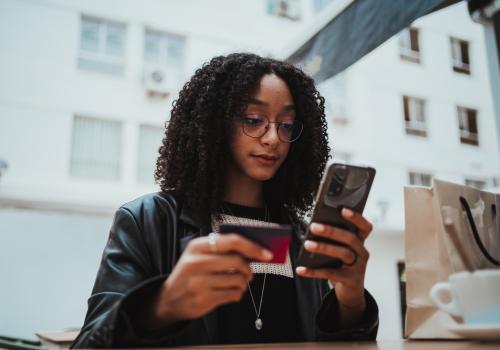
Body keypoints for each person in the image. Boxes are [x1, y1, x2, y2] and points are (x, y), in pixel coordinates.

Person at [71, 53, 378, 348]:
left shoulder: (302, 237)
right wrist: (162, 306)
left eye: (286, 125)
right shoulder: (147, 220)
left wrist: (350, 299)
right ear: (215, 123)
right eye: (254, 119)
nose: (273, 138)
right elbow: (89, 344)